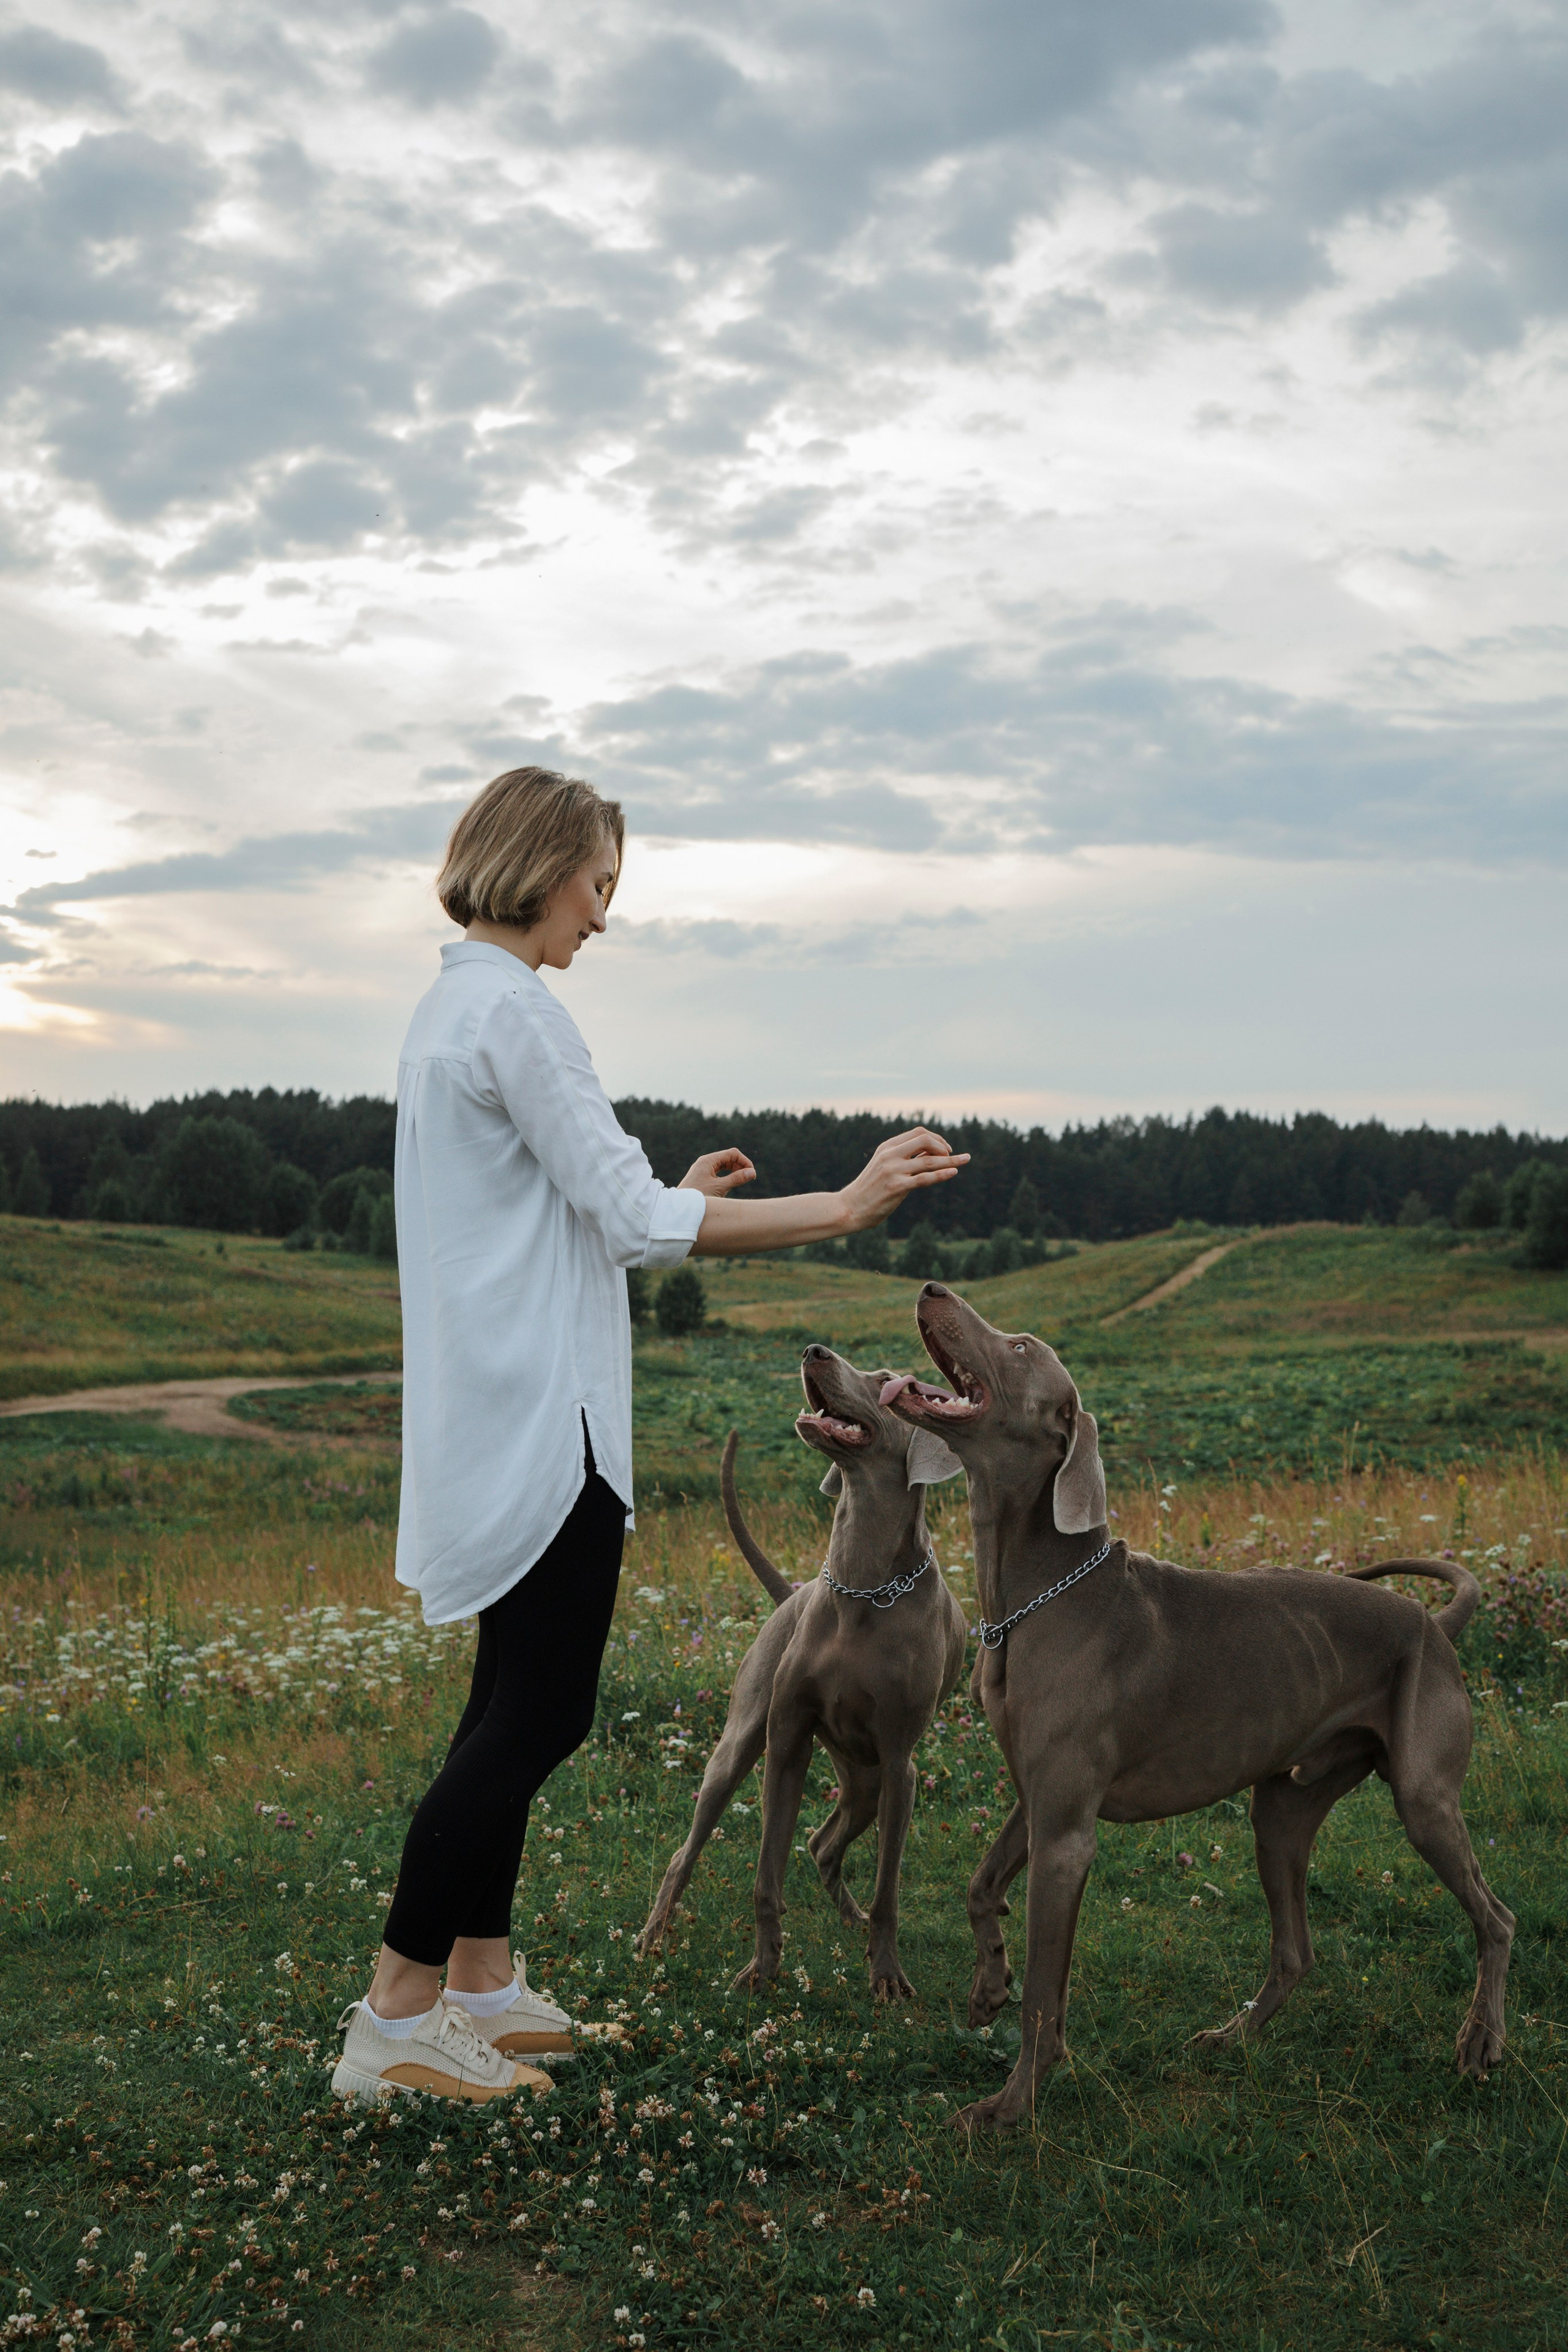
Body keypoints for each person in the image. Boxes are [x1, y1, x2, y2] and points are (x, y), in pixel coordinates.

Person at [332, 766, 967, 2107]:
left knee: (505, 1702)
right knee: (540, 1715)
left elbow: (574, 1207)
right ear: (537, 863)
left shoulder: (457, 1006)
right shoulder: (517, 1013)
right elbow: (622, 1227)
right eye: (597, 886)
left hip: (505, 1413)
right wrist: (844, 1206)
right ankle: (395, 2013)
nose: (602, 920)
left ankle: (482, 1984)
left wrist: (664, 1193)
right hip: (541, 1429)